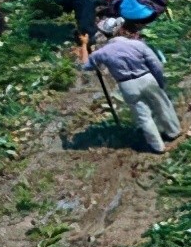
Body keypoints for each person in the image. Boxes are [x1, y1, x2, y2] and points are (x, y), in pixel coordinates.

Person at [75, 23, 181, 153]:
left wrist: (84, 44)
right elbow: (156, 64)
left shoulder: (102, 52)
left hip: (127, 85)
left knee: (143, 117)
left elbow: (84, 65)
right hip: (146, 78)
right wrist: (160, 82)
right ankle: (173, 132)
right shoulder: (137, 44)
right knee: (162, 105)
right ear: (120, 30)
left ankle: (158, 147)